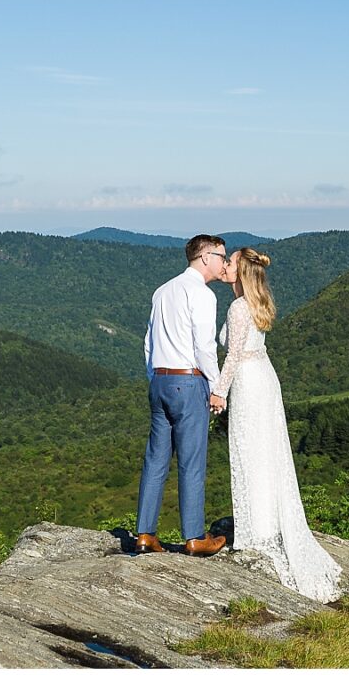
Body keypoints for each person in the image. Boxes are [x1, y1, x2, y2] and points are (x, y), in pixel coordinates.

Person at [212, 247, 344, 601]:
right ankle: (267, 522)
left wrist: (219, 392)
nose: (224, 266)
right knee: (266, 452)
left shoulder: (238, 307)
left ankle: (258, 529)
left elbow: (234, 354)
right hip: (265, 378)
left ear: (239, 270)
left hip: (248, 382)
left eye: (230, 262)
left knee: (249, 452)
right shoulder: (256, 301)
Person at [132, 234, 229, 556]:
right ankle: (194, 537)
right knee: (191, 462)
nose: (224, 263)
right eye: (220, 256)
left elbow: (148, 341)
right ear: (204, 257)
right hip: (188, 383)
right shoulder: (201, 294)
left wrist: (154, 376)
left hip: (159, 381)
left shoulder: (163, 290)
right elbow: (204, 345)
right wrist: (217, 387)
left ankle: (145, 534)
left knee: (155, 461)